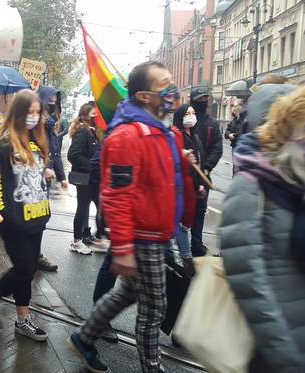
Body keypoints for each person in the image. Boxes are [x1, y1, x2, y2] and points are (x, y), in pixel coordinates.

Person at [68, 61, 195, 373]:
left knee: (125, 293)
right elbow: (117, 196)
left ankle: (84, 338)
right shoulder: (127, 136)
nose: (171, 89)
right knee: (154, 308)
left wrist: (179, 158)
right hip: (143, 236)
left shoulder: (160, 130)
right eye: (163, 84)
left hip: (157, 233)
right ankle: (152, 367)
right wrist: (123, 248)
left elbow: (156, 179)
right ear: (143, 96)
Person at [218, 86, 305, 372]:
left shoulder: (298, 182)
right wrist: (282, 352)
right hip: (281, 348)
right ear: (288, 127)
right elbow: (247, 279)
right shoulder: (253, 185)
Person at [0, 89, 51, 342]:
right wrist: (3, 214)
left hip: (37, 216)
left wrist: (47, 174)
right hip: (15, 221)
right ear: (18, 113)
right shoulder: (4, 144)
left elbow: (37, 174)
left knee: (27, 270)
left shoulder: (37, 141)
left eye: (37, 112)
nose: (33, 117)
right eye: (29, 112)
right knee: (24, 268)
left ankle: (23, 320)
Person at [67, 103, 108, 255]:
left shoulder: (93, 132)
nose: (96, 116)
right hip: (85, 178)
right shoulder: (82, 132)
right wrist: (91, 166)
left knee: (101, 207)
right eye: (93, 113)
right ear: (86, 115)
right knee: (83, 208)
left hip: (94, 178)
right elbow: (73, 155)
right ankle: (77, 241)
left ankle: (98, 237)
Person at [34, 86, 66, 272]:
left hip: (45, 181)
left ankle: (35, 254)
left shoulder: (51, 126)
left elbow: (55, 154)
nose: (53, 103)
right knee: (35, 217)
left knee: (42, 218)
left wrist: (62, 177)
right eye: (50, 100)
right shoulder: (34, 126)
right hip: (33, 181)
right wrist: (43, 169)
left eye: (56, 101)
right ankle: (32, 255)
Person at [189, 87, 222, 257]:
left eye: (205, 99)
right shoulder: (186, 120)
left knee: (200, 209)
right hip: (186, 174)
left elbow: (217, 148)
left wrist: (207, 168)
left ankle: (196, 243)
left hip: (204, 174)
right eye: (199, 99)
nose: (203, 102)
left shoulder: (212, 124)